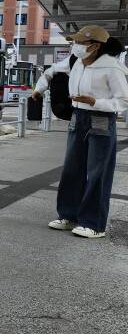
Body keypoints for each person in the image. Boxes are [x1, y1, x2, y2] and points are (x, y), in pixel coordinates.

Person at [32, 26, 128, 238]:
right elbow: (50, 72)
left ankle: (94, 224)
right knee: (72, 169)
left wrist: (96, 101)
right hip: (78, 117)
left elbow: (123, 101)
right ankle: (68, 215)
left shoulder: (112, 68)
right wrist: (39, 88)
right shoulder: (74, 62)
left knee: (98, 173)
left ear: (95, 46)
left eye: (80, 43)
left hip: (101, 119)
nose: (75, 46)